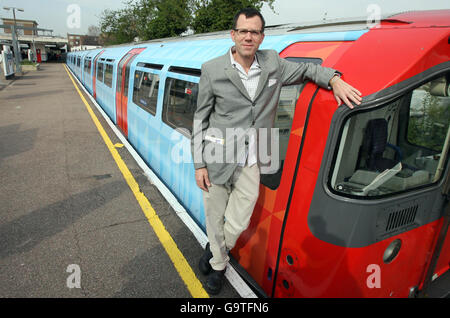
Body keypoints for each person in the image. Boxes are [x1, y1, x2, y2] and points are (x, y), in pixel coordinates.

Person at [191, 7, 362, 295]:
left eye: (254, 32)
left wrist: (334, 80)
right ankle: (219, 267)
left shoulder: (273, 63)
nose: (248, 36)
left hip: (252, 158)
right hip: (217, 156)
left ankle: (214, 252)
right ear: (233, 35)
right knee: (214, 215)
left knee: (238, 220)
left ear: (261, 36)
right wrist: (199, 164)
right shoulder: (211, 69)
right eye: (243, 31)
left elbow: (308, 69)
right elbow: (201, 118)